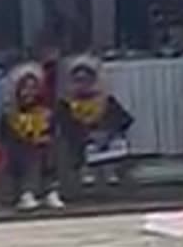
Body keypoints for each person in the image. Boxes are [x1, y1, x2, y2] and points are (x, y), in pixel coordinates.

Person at [56, 54, 134, 188]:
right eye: (78, 80)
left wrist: (107, 131)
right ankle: (84, 172)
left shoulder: (105, 100)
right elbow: (65, 125)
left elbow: (122, 120)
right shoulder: (66, 104)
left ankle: (111, 172)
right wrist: (87, 133)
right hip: (80, 139)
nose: (83, 84)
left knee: (113, 142)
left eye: (86, 80)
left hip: (105, 139)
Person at [0, 62, 64, 211]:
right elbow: (5, 139)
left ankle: (50, 191)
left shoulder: (46, 112)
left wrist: (44, 139)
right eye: (25, 88)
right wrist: (28, 140)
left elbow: (52, 133)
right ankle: (26, 193)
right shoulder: (9, 114)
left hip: (43, 149)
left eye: (33, 88)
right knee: (28, 152)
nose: (29, 92)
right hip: (18, 151)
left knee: (49, 150)